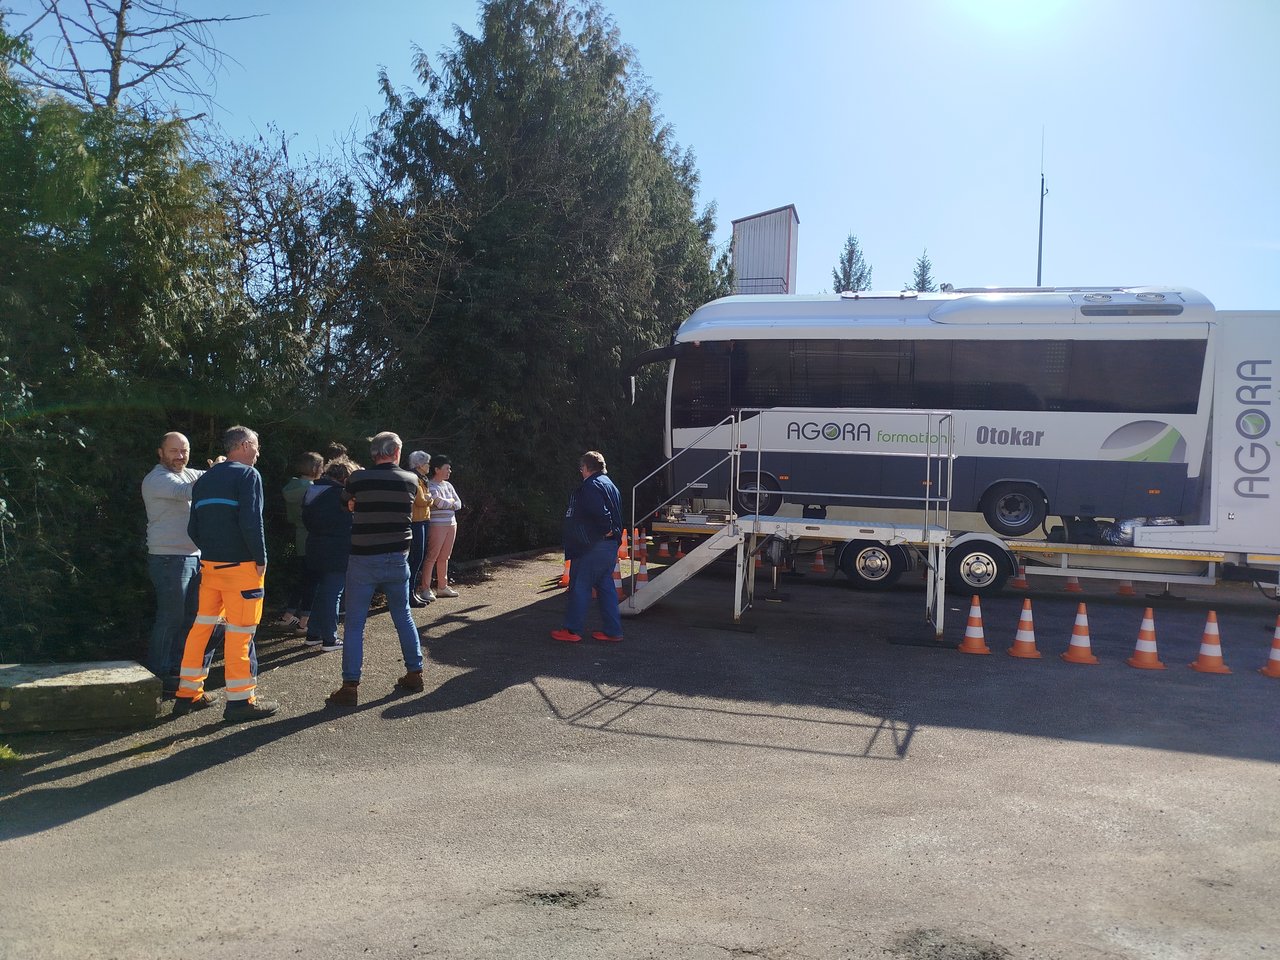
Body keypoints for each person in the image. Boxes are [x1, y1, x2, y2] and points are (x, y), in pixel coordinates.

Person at [172, 425, 279, 722]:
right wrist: (261, 558)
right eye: (256, 446)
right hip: (242, 568)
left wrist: (212, 551)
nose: (258, 452)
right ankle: (241, 701)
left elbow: (193, 527)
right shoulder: (248, 475)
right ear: (243, 445)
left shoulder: (205, 479)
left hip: (210, 567)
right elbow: (251, 521)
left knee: (202, 628)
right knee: (240, 633)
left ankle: (187, 694)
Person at [327, 431, 427, 707]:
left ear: (374, 453)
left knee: (355, 623)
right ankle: (415, 672)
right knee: (403, 615)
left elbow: (344, 502)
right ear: (395, 452)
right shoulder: (410, 480)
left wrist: (354, 503)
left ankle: (350, 686)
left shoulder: (358, 479)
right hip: (397, 558)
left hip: (363, 559)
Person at [141, 432, 210, 696]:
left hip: (193, 557)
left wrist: (221, 467)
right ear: (160, 452)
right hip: (168, 558)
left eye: (184, 451)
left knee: (191, 618)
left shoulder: (187, 473)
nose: (180, 456)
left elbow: (204, 478)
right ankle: (158, 675)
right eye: (174, 451)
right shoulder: (157, 479)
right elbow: (189, 491)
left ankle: (178, 671)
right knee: (171, 617)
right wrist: (217, 472)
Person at [552, 450, 624, 643]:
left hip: (593, 546)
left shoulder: (591, 486)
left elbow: (600, 513)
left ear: (585, 468)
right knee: (606, 586)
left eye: (581, 468)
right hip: (609, 547)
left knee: (580, 586)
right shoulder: (611, 485)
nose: (581, 472)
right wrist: (611, 533)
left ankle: (572, 630)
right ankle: (613, 631)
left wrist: (605, 530)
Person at [302, 456, 359, 653]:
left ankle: (314, 634)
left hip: (314, 545)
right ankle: (329, 637)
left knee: (322, 591)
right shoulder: (339, 495)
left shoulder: (313, 490)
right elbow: (348, 521)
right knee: (333, 593)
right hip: (337, 548)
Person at [278, 451, 323, 631]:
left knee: (303, 578)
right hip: (314, 537)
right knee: (313, 580)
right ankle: (304, 621)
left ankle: (288, 616)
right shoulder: (314, 490)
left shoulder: (292, 487)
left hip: (300, 535)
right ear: (315, 468)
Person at [421, 453, 462, 600]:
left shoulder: (448, 485)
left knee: (445, 557)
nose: (449, 471)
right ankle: (425, 588)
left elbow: (459, 504)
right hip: (437, 525)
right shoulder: (430, 485)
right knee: (432, 556)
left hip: (452, 524)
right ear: (437, 469)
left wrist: (448, 502)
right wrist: (450, 502)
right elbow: (439, 503)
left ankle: (442, 587)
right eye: (447, 468)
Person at [406, 450, 433, 608]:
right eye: (427, 463)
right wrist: (429, 499)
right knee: (415, 558)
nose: (429, 466)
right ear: (419, 465)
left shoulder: (423, 479)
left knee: (418, 558)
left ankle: (412, 592)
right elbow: (421, 500)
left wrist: (428, 499)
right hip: (416, 521)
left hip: (423, 520)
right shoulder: (414, 478)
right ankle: (409, 593)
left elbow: (427, 498)